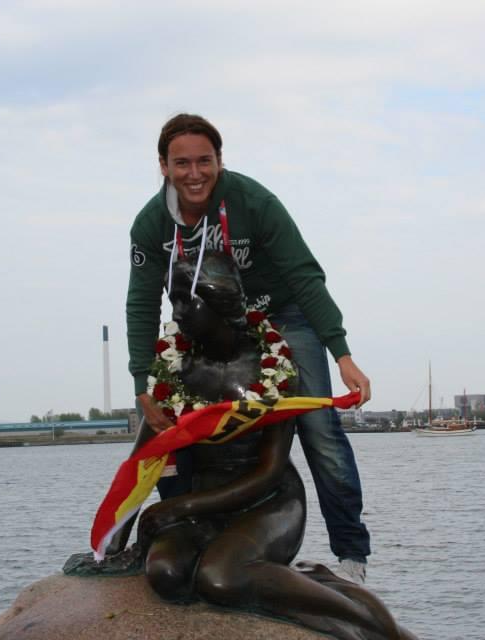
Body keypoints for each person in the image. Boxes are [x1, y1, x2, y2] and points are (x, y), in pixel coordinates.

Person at [126, 113, 371, 582]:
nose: (194, 173)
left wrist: (340, 353)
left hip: (283, 313)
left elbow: (304, 274)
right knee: (170, 426)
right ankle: (189, 525)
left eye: (204, 161)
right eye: (182, 163)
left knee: (320, 430)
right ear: (163, 166)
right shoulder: (151, 224)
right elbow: (141, 301)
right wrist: (143, 379)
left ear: (220, 161)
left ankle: (351, 556)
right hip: (209, 326)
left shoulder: (254, 203)